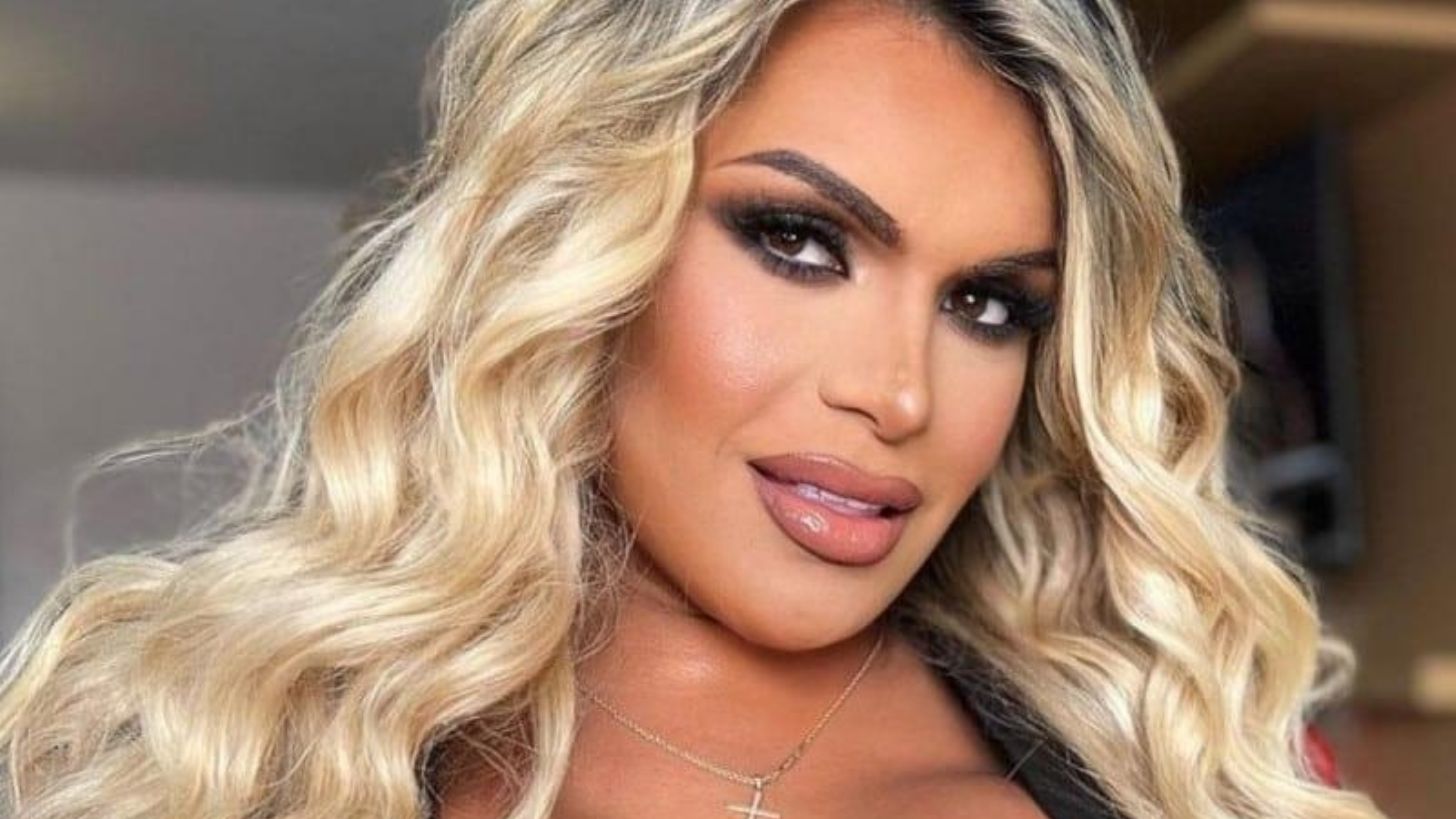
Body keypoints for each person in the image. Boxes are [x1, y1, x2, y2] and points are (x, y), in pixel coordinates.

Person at [0, 1, 1387, 818]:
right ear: (580, 247)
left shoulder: (1190, 770)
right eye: (798, 241)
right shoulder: (217, 759)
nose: (898, 392)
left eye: (988, 305)